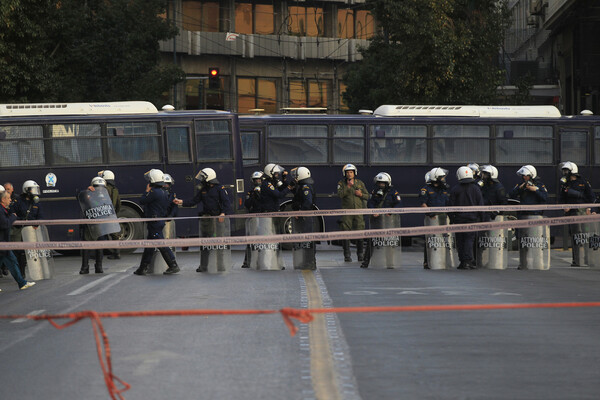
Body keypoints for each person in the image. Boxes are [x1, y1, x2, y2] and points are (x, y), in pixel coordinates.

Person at [174, 167, 232, 272]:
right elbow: (194, 201)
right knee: (205, 244)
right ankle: (203, 266)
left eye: (203, 177)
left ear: (208, 177)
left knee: (219, 245)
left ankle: (221, 265)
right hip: (207, 220)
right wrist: (181, 202)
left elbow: (226, 203)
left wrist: (223, 213)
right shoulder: (203, 189)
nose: (201, 179)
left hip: (218, 221)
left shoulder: (220, 188)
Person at [133, 169, 180, 276]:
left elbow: (142, 200)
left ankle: (173, 265)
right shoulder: (163, 191)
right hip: (157, 220)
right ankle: (143, 268)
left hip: (155, 222)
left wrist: (146, 191)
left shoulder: (154, 192)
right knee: (149, 246)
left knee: (161, 245)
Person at [361, 172, 402, 269]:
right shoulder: (375, 192)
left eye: (382, 183)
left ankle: (390, 263)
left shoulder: (393, 192)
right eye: (379, 183)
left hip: (389, 222)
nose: (380, 185)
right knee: (372, 241)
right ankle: (365, 262)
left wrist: (391, 212)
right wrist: (373, 211)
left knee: (388, 242)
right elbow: (370, 203)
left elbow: (399, 204)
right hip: (377, 221)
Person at [558, 161, 595, 266]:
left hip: (583, 213)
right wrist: (564, 207)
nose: (565, 173)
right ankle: (577, 260)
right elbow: (561, 199)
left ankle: (588, 260)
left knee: (585, 237)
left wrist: (589, 208)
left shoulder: (583, 182)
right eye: (564, 171)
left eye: (566, 171)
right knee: (576, 237)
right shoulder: (565, 184)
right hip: (573, 214)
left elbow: (591, 197)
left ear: (572, 171)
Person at [449, 167, 484, 270]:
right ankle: (468, 261)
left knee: (460, 241)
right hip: (472, 219)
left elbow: (451, 206)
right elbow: (481, 205)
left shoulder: (455, 189)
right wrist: (481, 219)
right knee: (469, 240)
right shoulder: (476, 188)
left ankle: (462, 261)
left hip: (459, 219)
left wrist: (452, 219)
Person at [0, 191, 36, 290]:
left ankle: (22, 283)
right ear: (3, 200)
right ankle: (22, 283)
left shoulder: (3, 209)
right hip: (2, 244)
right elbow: (5, 224)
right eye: (8, 198)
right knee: (13, 261)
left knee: (12, 261)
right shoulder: (0, 210)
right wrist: (13, 217)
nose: (10, 200)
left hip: (4, 244)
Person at [418, 167, 450, 269]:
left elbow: (448, 203)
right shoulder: (426, 189)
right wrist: (430, 213)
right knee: (430, 240)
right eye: (441, 178)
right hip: (432, 219)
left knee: (445, 239)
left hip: (443, 218)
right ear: (435, 178)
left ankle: (445, 261)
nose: (443, 180)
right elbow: (423, 204)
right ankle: (428, 261)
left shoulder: (443, 189)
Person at [11, 180, 43, 278]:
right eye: (33, 189)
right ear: (27, 190)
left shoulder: (36, 202)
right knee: (20, 252)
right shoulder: (18, 201)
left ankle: (38, 271)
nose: (35, 191)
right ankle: (21, 273)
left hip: (32, 230)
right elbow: (13, 215)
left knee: (32, 252)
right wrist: (22, 221)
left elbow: (40, 216)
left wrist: (36, 224)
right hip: (20, 229)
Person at [337, 164, 368, 262]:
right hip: (347, 212)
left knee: (360, 232)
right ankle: (347, 255)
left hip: (359, 212)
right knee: (345, 233)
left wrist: (361, 194)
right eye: (347, 172)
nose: (349, 174)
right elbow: (340, 195)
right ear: (344, 173)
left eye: (351, 172)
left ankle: (360, 254)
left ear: (354, 173)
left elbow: (367, 196)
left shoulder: (360, 183)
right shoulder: (341, 183)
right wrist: (348, 187)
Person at [79, 177, 110, 274]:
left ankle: (99, 266)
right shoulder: (88, 194)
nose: (98, 189)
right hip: (89, 224)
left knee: (100, 245)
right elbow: (81, 199)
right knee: (86, 245)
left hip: (100, 224)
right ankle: (85, 267)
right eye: (96, 187)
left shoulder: (105, 196)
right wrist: (87, 192)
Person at [290, 166, 317, 270]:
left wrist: (301, 212)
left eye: (297, 175)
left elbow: (308, 202)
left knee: (308, 240)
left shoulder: (306, 187)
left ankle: (310, 262)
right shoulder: (302, 186)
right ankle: (306, 261)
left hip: (306, 217)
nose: (295, 177)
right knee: (304, 239)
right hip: (305, 217)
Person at [241, 171, 264, 268]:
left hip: (264, 217)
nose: (257, 181)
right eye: (256, 180)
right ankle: (247, 261)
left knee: (264, 240)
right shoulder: (250, 192)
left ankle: (264, 260)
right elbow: (247, 204)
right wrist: (254, 195)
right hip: (254, 217)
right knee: (251, 240)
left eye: (259, 179)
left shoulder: (266, 190)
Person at [98, 170, 122, 260]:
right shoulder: (115, 190)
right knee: (114, 234)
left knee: (101, 233)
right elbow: (119, 204)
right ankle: (117, 252)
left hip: (104, 213)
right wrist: (115, 212)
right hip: (112, 213)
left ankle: (100, 253)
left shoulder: (104, 189)